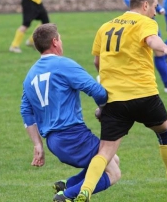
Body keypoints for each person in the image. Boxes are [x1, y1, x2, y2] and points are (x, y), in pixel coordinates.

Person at [74, 0, 167, 202]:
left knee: (105, 152)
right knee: (166, 131)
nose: (156, 12)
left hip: (114, 100)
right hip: (144, 95)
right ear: (145, 5)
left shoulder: (106, 26)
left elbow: (96, 62)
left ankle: (85, 191)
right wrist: (165, 48)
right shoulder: (146, 23)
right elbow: (151, 41)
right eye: (155, 6)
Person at [20, 23, 121, 202]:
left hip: (53, 142)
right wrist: (104, 108)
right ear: (55, 42)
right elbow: (96, 91)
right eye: (60, 38)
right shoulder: (63, 64)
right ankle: (66, 196)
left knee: (113, 159)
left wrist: (37, 145)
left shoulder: (30, 75)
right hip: (73, 136)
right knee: (114, 172)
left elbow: (26, 112)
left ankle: (67, 184)